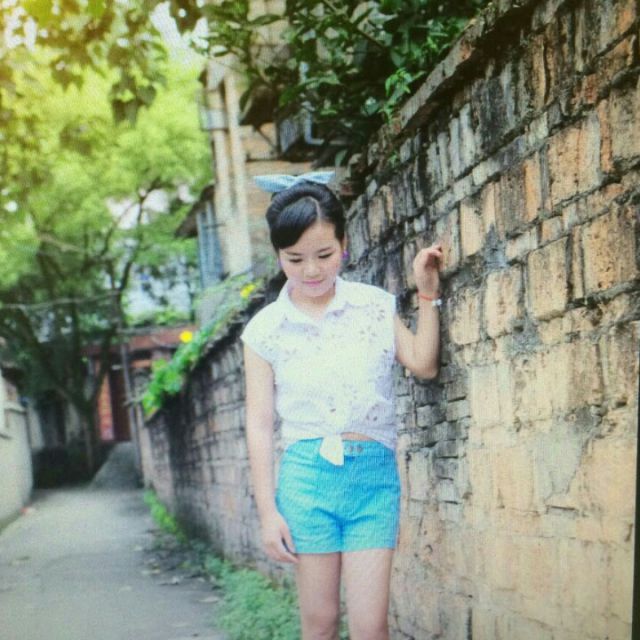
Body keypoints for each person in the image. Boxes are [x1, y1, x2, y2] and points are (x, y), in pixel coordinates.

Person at [241, 173, 442, 640]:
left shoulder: (373, 306)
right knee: (321, 624)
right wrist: (269, 513)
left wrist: (427, 294)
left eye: (324, 255)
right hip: (306, 482)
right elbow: (259, 424)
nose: (311, 270)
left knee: (371, 629)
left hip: (373, 481)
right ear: (278, 255)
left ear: (344, 245)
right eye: (295, 259)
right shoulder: (266, 330)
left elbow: (423, 364)